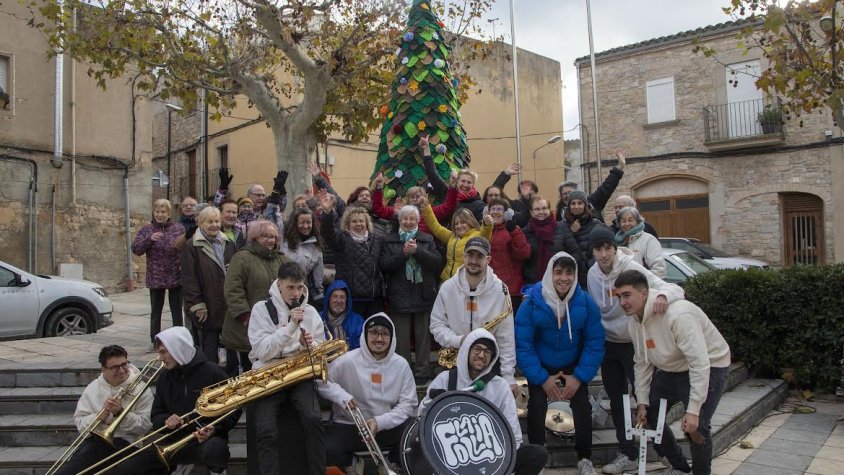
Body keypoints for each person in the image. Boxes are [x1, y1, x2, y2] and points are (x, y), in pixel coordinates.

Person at [586, 225, 684, 474]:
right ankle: (627, 452)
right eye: (599, 249)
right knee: (617, 403)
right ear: (593, 251)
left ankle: (673, 459)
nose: (604, 254)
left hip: (635, 345)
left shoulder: (630, 268)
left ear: (615, 248)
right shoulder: (591, 274)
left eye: (608, 247)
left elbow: (671, 288)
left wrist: (661, 296)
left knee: (648, 404)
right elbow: (599, 310)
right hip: (609, 345)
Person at [614, 270, 731, 475]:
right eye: (619, 296)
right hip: (673, 368)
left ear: (644, 293)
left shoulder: (678, 315)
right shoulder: (634, 322)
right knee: (648, 415)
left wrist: (693, 410)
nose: (622, 302)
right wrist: (642, 401)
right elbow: (642, 363)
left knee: (696, 427)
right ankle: (680, 467)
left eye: (627, 295)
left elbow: (699, 363)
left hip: (711, 365)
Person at [515, 252, 604, 475]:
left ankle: (585, 458)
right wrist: (542, 378)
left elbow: (595, 342)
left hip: (572, 362)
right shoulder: (533, 302)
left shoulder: (585, 301)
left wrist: (579, 376)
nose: (563, 278)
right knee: (536, 405)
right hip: (542, 363)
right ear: (549, 274)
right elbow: (523, 343)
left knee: (583, 406)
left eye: (569, 273)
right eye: (558, 272)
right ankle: (539, 457)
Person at [419, 329, 548, 475]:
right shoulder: (445, 379)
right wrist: (432, 402)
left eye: (487, 352)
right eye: (477, 349)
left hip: (490, 456)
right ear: (467, 350)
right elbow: (421, 416)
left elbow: (514, 435)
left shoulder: (500, 386)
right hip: (451, 454)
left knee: (537, 454)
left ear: (492, 357)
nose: (481, 355)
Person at [119, 327, 239, 475]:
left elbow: (233, 409)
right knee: (130, 467)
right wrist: (166, 420)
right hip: (173, 440)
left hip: (205, 440)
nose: (160, 358)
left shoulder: (212, 372)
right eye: (159, 353)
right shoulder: (165, 377)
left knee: (215, 450)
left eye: (164, 352)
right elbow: (156, 414)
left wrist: (215, 428)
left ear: (178, 349)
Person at [248, 261, 327, 475]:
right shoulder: (261, 309)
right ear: (279, 284)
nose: (296, 293)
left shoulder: (310, 311)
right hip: (269, 373)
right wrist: (291, 327)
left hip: (299, 373)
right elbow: (262, 350)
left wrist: (307, 345)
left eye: (300, 287)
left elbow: (321, 348)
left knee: (314, 420)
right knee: (265, 429)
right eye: (290, 287)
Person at [318, 314, 417, 470]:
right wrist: (342, 397)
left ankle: (391, 463)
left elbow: (408, 405)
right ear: (365, 335)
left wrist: (379, 422)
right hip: (351, 425)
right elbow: (321, 382)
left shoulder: (401, 364)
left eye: (384, 334)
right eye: (374, 333)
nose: (379, 338)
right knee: (324, 449)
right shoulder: (347, 360)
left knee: (415, 434)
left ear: (392, 338)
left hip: (385, 425)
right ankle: (352, 463)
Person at [430, 237, 517, 388]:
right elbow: (436, 325)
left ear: (488, 259)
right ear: (463, 256)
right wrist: (458, 340)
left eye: (480, 256)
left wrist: (509, 376)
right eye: (470, 255)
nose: (474, 261)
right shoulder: (448, 287)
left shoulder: (500, 290)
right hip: (455, 358)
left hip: (487, 362)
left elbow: (506, 336)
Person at [53, 345, 152, 475]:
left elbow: (144, 426)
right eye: (115, 367)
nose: (122, 371)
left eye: (124, 364)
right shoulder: (93, 388)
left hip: (128, 443)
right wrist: (100, 416)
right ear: (103, 370)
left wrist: (120, 413)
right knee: (71, 469)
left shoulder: (142, 389)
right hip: (97, 441)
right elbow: (80, 423)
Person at [379, 205, 443, 384]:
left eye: (412, 219)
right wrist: (403, 254)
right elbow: (384, 265)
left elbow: (437, 262)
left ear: (417, 221)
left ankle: (422, 371)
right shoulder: (389, 240)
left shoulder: (426, 239)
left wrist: (418, 252)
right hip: (398, 294)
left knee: (423, 336)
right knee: (402, 338)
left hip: (423, 293)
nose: (408, 222)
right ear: (399, 221)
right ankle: (404, 371)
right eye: (404, 219)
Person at [222, 219, 290, 375]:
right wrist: (245, 316)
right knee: (245, 373)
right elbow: (233, 289)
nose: (269, 240)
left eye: (272, 237)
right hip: (243, 327)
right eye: (264, 236)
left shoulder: (283, 259)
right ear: (254, 238)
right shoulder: (242, 258)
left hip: (274, 327)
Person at [181, 206, 235, 363]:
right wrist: (197, 304)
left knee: (231, 349)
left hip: (226, 305)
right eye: (209, 221)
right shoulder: (192, 246)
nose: (215, 225)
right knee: (209, 351)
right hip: (206, 305)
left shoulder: (228, 244)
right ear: (200, 223)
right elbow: (189, 278)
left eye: (217, 221)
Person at [132, 199, 185, 348]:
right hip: (156, 276)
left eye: (163, 212)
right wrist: (149, 240)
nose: (160, 215)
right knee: (156, 311)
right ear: (153, 212)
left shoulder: (178, 228)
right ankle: (154, 340)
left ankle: (179, 339)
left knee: (176, 311)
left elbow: (185, 247)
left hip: (175, 274)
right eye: (157, 211)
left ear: (169, 214)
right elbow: (136, 249)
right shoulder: (147, 229)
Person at [320, 195, 385, 317]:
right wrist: (328, 213)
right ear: (347, 224)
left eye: (361, 221)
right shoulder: (342, 239)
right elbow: (327, 232)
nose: (358, 224)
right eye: (354, 221)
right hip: (352, 298)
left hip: (375, 298)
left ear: (367, 223)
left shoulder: (377, 239)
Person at [421, 199, 493, 281]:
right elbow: (436, 227)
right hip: (447, 281)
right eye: (456, 224)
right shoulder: (452, 237)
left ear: (470, 221)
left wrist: (486, 223)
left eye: (463, 222)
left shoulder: (477, 236)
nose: (459, 226)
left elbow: (485, 233)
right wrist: (426, 208)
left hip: (465, 283)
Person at [521, 196, 586, 286]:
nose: (541, 212)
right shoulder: (525, 232)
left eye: (544, 208)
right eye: (537, 209)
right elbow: (522, 260)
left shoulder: (562, 228)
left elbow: (575, 252)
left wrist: (564, 269)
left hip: (561, 282)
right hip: (534, 284)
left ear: (549, 210)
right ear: (531, 212)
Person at [371, 169, 458, 235]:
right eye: (412, 197)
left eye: (418, 196)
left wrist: (453, 186)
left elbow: (448, 207)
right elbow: (378, 209)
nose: (415, 199)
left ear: (425, 198)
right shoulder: (401, 211)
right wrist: (378, 188)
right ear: (408, 199)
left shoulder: (431, 211)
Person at [556, 149, 626, 222]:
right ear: (561, 197)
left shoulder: (592, 203)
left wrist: (620, 166)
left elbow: (607, 186)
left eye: (570, 193)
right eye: (564, 194)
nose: (568, 196)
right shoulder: (559, 215)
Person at [487, 198, 531, 313]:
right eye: (493, 209)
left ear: (506, 213)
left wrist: (513, 231)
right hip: (490, 288)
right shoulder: (484, 231)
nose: (495, 212)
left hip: (510, 289)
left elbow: (524, 252)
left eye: (499, 209)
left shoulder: (513, 230)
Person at [282, 207, 326, 308]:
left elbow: (317, 277)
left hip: (299, 294)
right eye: (302, 222)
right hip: (281, 290)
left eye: (308, 222)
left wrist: (318, 297)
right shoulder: (284, 240)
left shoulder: (316, 246)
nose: (305, 226)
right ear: (295, 223)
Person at [563, 190, 602, 285]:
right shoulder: (562, 225)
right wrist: (571, 232)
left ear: (585, 205)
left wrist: (588, 266)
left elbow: (599, 248)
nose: (576, 206)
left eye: (580, 203)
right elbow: (560, 248)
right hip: (569, 276)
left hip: (591, 276)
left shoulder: (596, 224)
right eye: (573, 203)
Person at [614, 207, 666, 277]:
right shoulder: (615, 242)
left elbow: (659, 269)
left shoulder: (649, 240)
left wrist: (641, 285)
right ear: (619, 224)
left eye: (630, 220)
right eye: (623, 221)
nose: (627, 224)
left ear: (638, 222)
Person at [320, 280, 365, 351]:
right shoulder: (318, 318)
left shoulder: (357, 321)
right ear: (328, 299)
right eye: (335, 296)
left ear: (347, 300)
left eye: (342, 297)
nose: (338, 301)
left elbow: (361, 349)